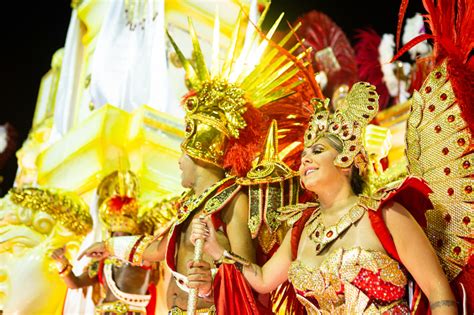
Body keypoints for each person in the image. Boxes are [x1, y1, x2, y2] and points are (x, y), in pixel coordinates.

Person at [78, 6, 311, 314]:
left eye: (182, 155)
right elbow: (158, 250)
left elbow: (243, 269)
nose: (178, 163)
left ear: (200, 151)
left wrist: (214, 268)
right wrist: (108, 247)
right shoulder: (189, 204)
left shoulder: (232, 200)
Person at [192, 81, 459, 314]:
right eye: (304, 154)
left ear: (346, 161)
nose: (305, 158)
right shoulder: (301, 228)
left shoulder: (386, 215)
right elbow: (262, 280)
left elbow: (439, 295)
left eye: (317, 150)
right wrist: (218, 251)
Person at [52, 170, 160, 315]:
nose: (118, 240)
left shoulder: (141, 256)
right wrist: (62, 263)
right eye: (115, 236)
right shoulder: (102, 263)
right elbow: (75, 284)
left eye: (124, 237)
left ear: (132, 237)